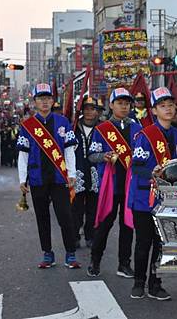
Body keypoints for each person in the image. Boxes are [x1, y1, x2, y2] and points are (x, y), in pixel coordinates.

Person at [16, 83, 81, 269]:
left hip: (60, 178)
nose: (44, 102)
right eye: (40, 99)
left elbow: (69, 150)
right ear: (35, 102)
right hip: (37, 178)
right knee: (42, 217)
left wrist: (72, 173)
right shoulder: (27, 126)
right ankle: (47, 254)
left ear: (53, 101)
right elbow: (23, 154)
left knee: (65, 216)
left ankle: (70, 253)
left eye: (47, 98)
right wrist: (22, 179)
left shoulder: (63, 122)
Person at [128, 87, 177, 300]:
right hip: (144, 198)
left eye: (170, 105)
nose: (168, 109)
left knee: (161, 243)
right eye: (162, 106)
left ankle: (155, 282)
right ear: (154, 111)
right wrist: (154, 174)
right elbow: (136, 166)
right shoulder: (146, 135)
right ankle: (139, 281)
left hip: (167, 198)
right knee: (143, 242)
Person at [87, 87, 141, 279]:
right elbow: (91, 155)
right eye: (120, 103)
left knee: (128, 225)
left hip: (130, 185)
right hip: (110, 184)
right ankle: (95, 260)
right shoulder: (102, 129)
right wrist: (105, 156)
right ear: (111, 105)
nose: (124, 106)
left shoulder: (137, 128)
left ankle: (124, 264)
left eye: (127, 103)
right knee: (104, 224)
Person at [72, 96, 103, 249]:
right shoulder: (73, 128)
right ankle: (75, 236)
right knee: (76, 207)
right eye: (87, 108)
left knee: (93, 208)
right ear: (82, 111)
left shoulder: (103, 128)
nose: (90, 112)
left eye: (93, 109)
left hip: (96, 173)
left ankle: (90, 235)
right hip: (78, 172)